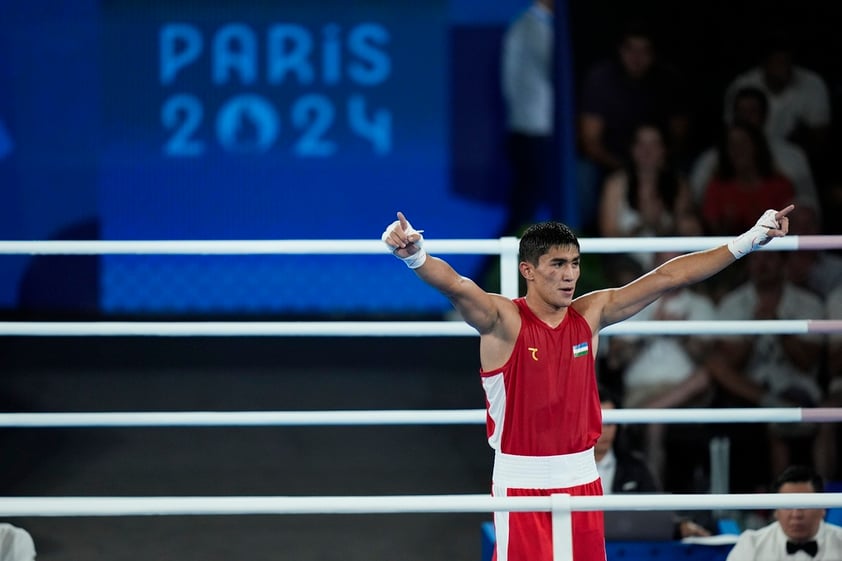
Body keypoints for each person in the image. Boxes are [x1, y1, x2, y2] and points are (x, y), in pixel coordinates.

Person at [381, 204, 794, 561]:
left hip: (582, 478)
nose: (570, 275)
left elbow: (669, 277)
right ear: (528, 270)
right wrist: (415, 255)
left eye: (575, 263)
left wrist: (748, 240)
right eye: (557, 264)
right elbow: (456, 286)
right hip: (522, 483)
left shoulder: (591, 313)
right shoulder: (503, 320)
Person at [705, 249, 825, 487]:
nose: (762, 265)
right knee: (715, 365)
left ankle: (799, 499)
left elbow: (808, 361)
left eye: (769, 258)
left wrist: (779, 327)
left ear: (783, 263)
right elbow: (730, 362)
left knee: (780, 420)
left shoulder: (808, 302)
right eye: (757, 258)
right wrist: (753, 331)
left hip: (798, 387)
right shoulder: (734, 303)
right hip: (752, 389)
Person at [577, 19, 690, 233]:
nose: (637, 58)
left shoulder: (668, 80)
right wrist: (628, 169)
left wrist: (655, 164)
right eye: (631, 50)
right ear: (620, 51)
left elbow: (679, 136)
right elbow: (590, 141)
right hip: (612, 163)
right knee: (582, 175)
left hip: (660, 165)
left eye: (644, 51)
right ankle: (580, 238)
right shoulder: (601, 79)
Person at [596, 384, 712, 539]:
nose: (604, 430)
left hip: (628, 548)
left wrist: (679, 527)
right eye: (598, 422)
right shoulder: (566, 468)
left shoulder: (635, 467)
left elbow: (657, 512)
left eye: (610, 423)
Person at [690, 86, 819, 212]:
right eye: (741, 112)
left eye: (752, 112)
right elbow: (697, 206)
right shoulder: (710, 163)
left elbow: (807, 208)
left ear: (765, 116)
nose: (746, 118)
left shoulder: (793, 158)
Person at [722, 31, 831, 176]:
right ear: (764, 63)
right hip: (745, 160)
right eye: (778, 62)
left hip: (793, 157)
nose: (784, 68)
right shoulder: (741, 85)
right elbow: (731, 131)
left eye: (787, 61)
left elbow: (820, 136)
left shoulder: (812, 83)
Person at [498, 0, 556, 238]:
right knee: (525, 207)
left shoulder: (539, 25)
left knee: (531, 205)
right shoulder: (527, 27)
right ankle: (501, 266)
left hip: (538, 129)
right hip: (532, 129)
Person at [725, 465, 842, 561]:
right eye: (788, 506)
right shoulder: (751, 544)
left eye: (805, 505)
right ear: (776, 511)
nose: (796, 514)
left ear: (822, 509)